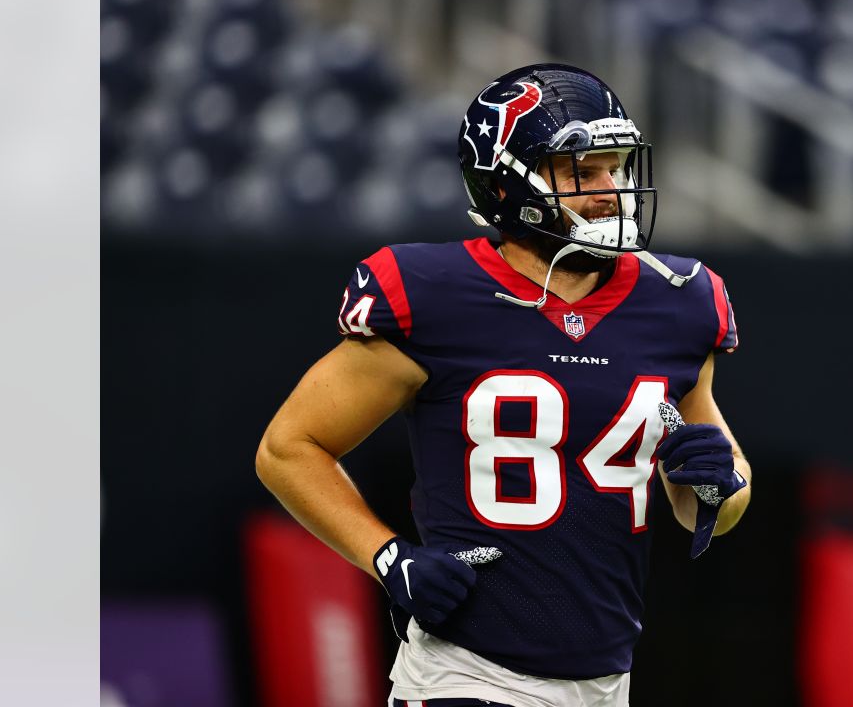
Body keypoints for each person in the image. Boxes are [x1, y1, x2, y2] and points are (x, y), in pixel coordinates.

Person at [256, 63, 751, 707]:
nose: (611, 189)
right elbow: (289, 448)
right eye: (584, 170)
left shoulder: (681, 301)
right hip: (468, 673)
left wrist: (720, 485)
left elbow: (708, 500)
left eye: (618, 166)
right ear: (506, 182)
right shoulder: (434, 295)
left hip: (605, 681)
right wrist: (387, 557)